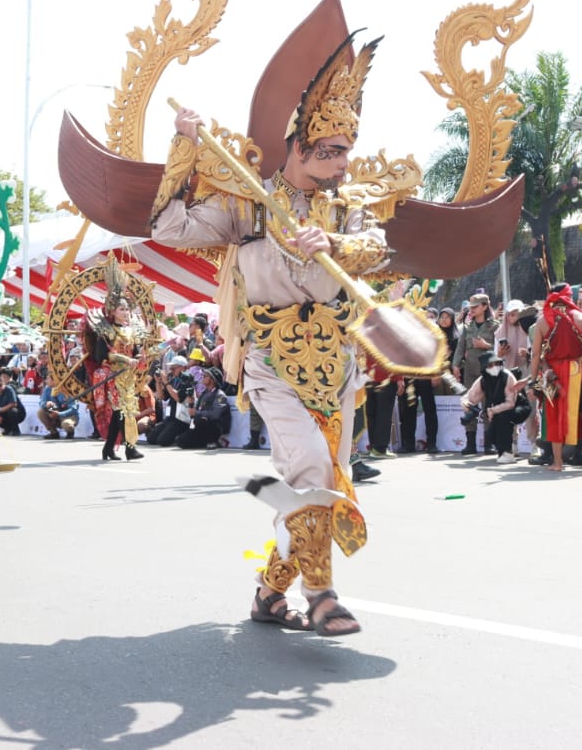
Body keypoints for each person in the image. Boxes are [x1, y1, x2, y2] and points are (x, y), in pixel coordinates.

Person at [152, 36, 403, 637]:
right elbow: (168, 223)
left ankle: (270, 593)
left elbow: (376, 251)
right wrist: (184, 148)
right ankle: (321, 595)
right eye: (333, 151)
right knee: (314, 469)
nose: (343, 164)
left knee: (318, 482)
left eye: (348, 151)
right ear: (300, 144)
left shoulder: (347, 207)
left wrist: (337, 244)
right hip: (270, 354)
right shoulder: (246, 201)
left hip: (335, 361)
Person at [528, 283, 582, 471]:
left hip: (552, 374)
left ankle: (558, 462)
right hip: (580, 372)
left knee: (553, 415)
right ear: (570, 297)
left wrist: (533, 379)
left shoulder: (542, 321)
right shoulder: (581, 317)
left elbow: (535, 354)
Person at [83, 259, 150, 462]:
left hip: (128, 377)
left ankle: (108, 449)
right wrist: (123, 358)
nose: (126, 312)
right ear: (112, 312)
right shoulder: (106, 330)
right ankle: (130, 448)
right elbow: (102, 356)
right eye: (121, 309)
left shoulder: (133, 330)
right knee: (123, 412)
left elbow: (137, 350)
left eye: (127, 309)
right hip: (112, 376)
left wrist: (139, 358)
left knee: (124, 411)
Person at [454, 293, 498, 454]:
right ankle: (470, 443)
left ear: (485, 307)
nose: (472, 310)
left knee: (489, 405)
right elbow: (460, 348)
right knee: (468, 404)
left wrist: (486, 346)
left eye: (476, 307)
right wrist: (456, 365)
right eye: (471, 307)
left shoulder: (495, 326)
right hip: (471, 371)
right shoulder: (468, 327)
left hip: (489, 371)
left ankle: (489, 444)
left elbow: (502, 350)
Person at [459, 351, 522, 464]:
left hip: (517, 404)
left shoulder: (508, 377)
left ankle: (508, 450)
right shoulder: (483, 380)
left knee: (503, 416)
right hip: (497, 407)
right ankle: (508, 446)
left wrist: (493, 410)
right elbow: (470, 396)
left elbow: (511, 403)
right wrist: (466, 404)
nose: (494, 367)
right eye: (490, 365)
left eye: (496, 363)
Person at [175, 367, 231, 449]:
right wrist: (191, 404)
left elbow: (215, 415)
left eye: (205, 376)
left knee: (204, 420)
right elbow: (196, 413)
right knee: (180, 441)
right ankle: (204, 442)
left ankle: (213, 441)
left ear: (213, 379)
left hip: (214, 427)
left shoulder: (219, 395)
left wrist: (196, 413)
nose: (203, 377)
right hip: (201, 426)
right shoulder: (204, 393)